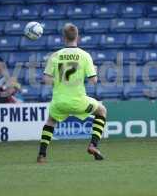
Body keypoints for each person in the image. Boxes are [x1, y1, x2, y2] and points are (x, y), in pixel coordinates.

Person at [37, 23, 107, 163]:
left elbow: (46, 80)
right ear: (78, 37)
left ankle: (42, 155)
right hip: (78, 102)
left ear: (64, 38)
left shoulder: (55, 55)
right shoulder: (84, 55)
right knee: (101, 111)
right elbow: (94, 81)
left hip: (59, 102)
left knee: (51, 121)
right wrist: (95, 70)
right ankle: (93, 145)